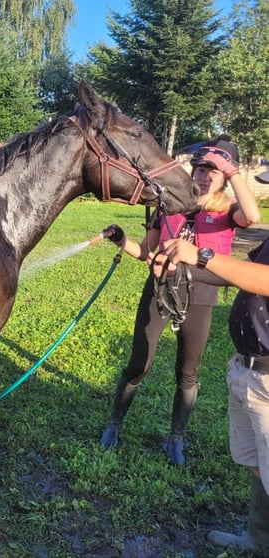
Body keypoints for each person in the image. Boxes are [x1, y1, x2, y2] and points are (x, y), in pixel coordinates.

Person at [99, 135, 262, 465]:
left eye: (212, 172)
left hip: (200, 297)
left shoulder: (228, 212)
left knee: (187, 372)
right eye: (200, 169)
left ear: (223, 178)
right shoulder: (168, 206)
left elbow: (253, 217)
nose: (204, 176)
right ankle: (115, 424)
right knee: (138, 364)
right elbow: (146, 253)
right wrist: (122, 241)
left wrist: (232, 173)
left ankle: (176, 438)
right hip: (160, 290)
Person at [160, 168, 269, 551]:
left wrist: (203, 253)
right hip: (249, 369)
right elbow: (242, 275)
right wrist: (186, 266)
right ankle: (257, 540)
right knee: (258, 465)